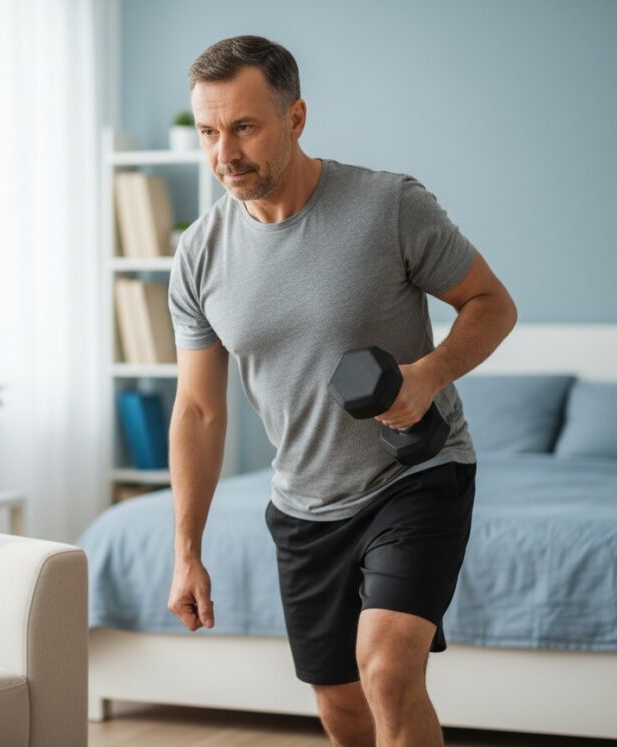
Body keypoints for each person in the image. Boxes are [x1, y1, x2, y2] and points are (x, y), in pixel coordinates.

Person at [165, 35, 518, 747]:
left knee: (387, 671)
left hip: (416, 472)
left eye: (244, 127)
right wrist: (186, 548)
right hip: (304, 503)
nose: (224, 153)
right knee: (344, 705)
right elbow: (200, 410)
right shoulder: (199, 253)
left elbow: (491, 303)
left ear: (295, 119)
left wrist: (429, 375)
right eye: (208, 131)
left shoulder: (388, 205)